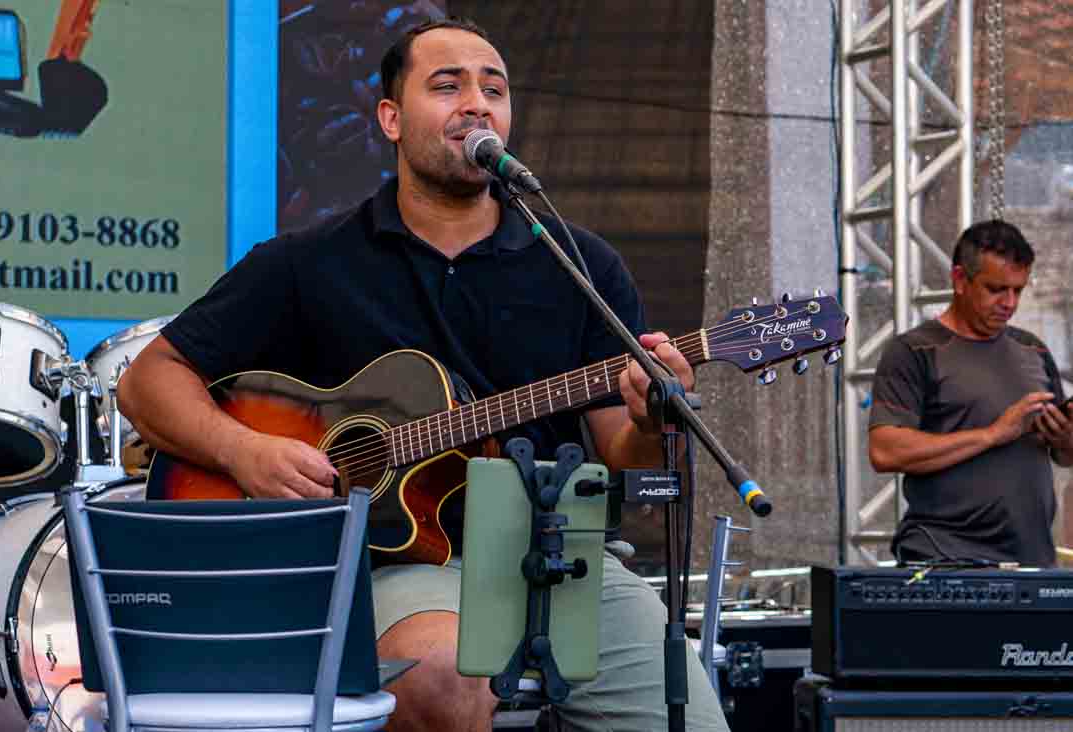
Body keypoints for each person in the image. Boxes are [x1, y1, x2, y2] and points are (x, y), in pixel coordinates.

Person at [120, 17, 728, 732]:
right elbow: (148, 380)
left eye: (494, 89)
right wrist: (243, 451)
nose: (477, 104)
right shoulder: (309, 263)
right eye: (447, 86)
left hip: (564, 550)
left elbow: (625, 451)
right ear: (391, 119)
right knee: (441, 675)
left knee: (688, 721)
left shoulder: (580, 265)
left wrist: (652, 419)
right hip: (401, 563)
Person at [869, 220, 1073, 567]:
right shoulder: (914, 351)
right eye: (996, 289)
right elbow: (885, 451)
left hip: (1032, 560)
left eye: (1018, 290)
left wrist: (1066, 438)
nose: (1009, 303)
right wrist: (993, 434)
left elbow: (1063, 457)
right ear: (960, 279)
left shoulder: (1033, 349)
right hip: (945, 559)